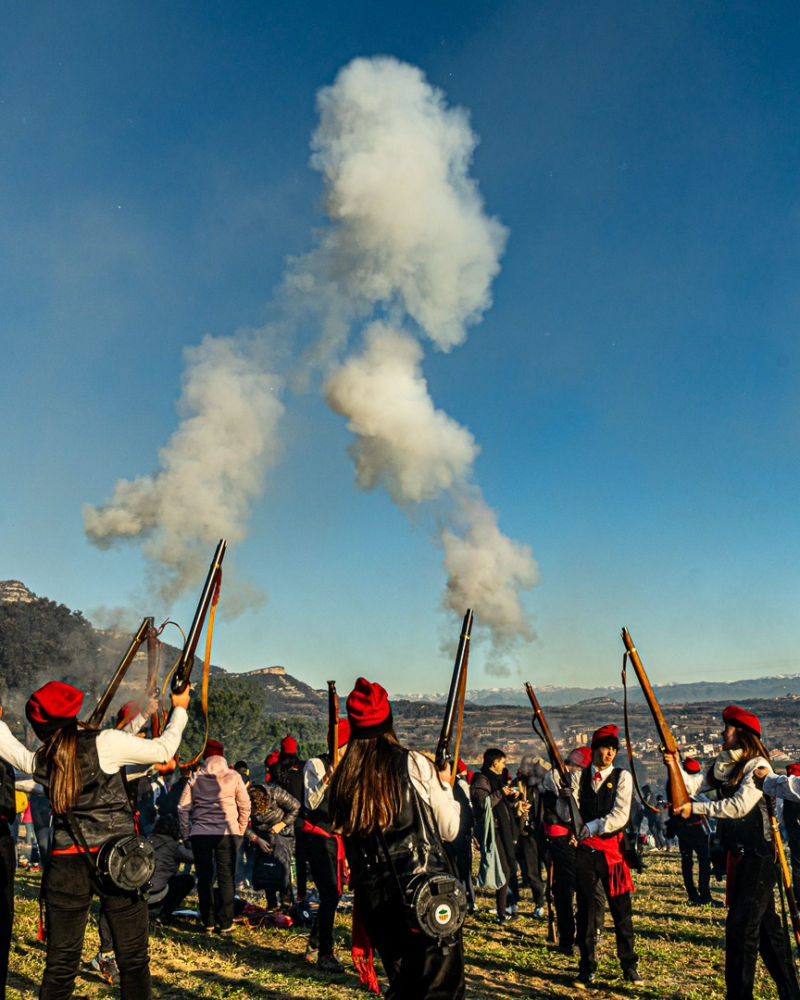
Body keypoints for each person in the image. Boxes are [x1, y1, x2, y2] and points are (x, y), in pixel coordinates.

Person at [0, 679, 189, 1000]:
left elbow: (21, 760)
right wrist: (180, 708)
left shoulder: (43, 758)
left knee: (60, 965)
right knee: (133, 962)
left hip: (66, 866)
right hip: (118, 861)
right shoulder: (107, 742)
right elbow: (163, 748)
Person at [329, 677, 464, 1000]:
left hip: (378, 902)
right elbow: (449, 829)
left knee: (403, 987)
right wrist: (445, 785)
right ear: (388, 721)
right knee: (441, 990)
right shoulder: (415, 763)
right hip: (427, 895)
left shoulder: (343, 779)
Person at [668, 704, 797, 1000]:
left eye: (727, 728)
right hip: (739, 857)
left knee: (741, 930)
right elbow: (700, 788)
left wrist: (694, 808)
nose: (722, 733)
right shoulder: (726, 766)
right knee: (769, 935)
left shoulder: (756, 764)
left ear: (741, 734)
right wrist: (673, 763)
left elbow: (738, 807)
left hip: (760, 857)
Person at [554, 724, 640, 987]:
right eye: (605, 748)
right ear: (594, 750)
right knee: (587, 911)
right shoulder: (579, 779)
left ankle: (629, 965)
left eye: (613, 749)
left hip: (612, 852)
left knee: (621, 912)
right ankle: (587, 967)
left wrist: (590, 827)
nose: (609, 753)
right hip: (586, 854)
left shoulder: (622, 777)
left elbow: (620, 816)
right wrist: (563, 799)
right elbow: (569, 816)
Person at [177, 738, 251, 935]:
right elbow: (245, 805)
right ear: (222, 755)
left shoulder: (195, 778)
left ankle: (208, 921)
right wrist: (240, 830)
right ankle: (225, 923)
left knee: (204, 878)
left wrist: (186, 834)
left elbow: (182, 808)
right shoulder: (234, 776)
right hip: (227, 834)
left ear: (205, 757)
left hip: (200, 835)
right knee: (227, 878)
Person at [300, 717, 351, 973]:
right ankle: (325, 953)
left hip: (337, 837)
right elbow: (311, 803)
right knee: (330, 893)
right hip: (317, 835)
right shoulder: (316, 765)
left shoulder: (350, 768)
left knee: (334, 894)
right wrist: (327, 779)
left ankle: (315, 943)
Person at [470, 748, 521, 923]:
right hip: (493, 831)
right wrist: (501, 793)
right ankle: (502, 911)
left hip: (504, 830)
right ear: (494, 763)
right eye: (503, 762)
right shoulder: (480, 779)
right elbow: (484, 803)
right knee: (504, 870)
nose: (504, 765)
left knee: (508, 870)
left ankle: (506, 909)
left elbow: (502, 804)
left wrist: (512, 798)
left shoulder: (498, 780)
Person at [667, 757, 714, 905]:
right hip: (693, 827)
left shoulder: (671, 782)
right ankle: (702, 894)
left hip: (683, 828)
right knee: (702, 861)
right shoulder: (678, 784)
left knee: (689, 862)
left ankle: (694, 894)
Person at [246, 781, 300, 909]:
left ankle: (286, 902)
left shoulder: (275, 792)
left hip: (282, 834)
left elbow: (296, 806)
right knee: (265, 870)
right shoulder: (244, 799)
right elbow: (240, 822)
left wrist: (282, 824)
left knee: (283, 868)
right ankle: (271, 903)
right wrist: (255, 839)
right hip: (261, 837)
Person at [272, 734, 308, 901]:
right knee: (300, 861)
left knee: (283, 860)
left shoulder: (276, 768)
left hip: (281, 821)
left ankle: (285, 896)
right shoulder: (303, 767)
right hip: (300, 820)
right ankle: (301, 895)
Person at [755, 762, 800, 889]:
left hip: (795, 833)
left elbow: (779, 812)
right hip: (794, 832)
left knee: (797, 866)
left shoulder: (786, 796)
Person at [146, 813, 195, 924]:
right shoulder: (173, 845)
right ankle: (164, 916)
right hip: (155, 895)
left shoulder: (147, 840)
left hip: (137, 894)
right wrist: (188, 840)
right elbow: (193, 857)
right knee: (188, 880)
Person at [444, 758, 475, 914]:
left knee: (463, 868)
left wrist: (468, 828)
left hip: (460, 831)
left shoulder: (459, 785)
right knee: (450, 867)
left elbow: (467, 809)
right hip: (447, 834)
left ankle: (469, 900)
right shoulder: (440, 786)